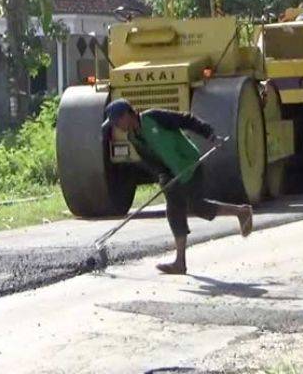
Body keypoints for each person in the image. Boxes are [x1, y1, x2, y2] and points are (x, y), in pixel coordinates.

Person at [101, 99, 253, 275]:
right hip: (173, 174)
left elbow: (186, 119)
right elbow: (152, 162)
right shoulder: (132, 137)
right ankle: (180, 262)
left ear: (127, 115)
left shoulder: (154, 117)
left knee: (198, 207)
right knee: (174, 210)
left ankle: (241, 212)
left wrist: (210, 136)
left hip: (190, 165)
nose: (117, 127)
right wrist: (163, 177)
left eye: (116, 121)